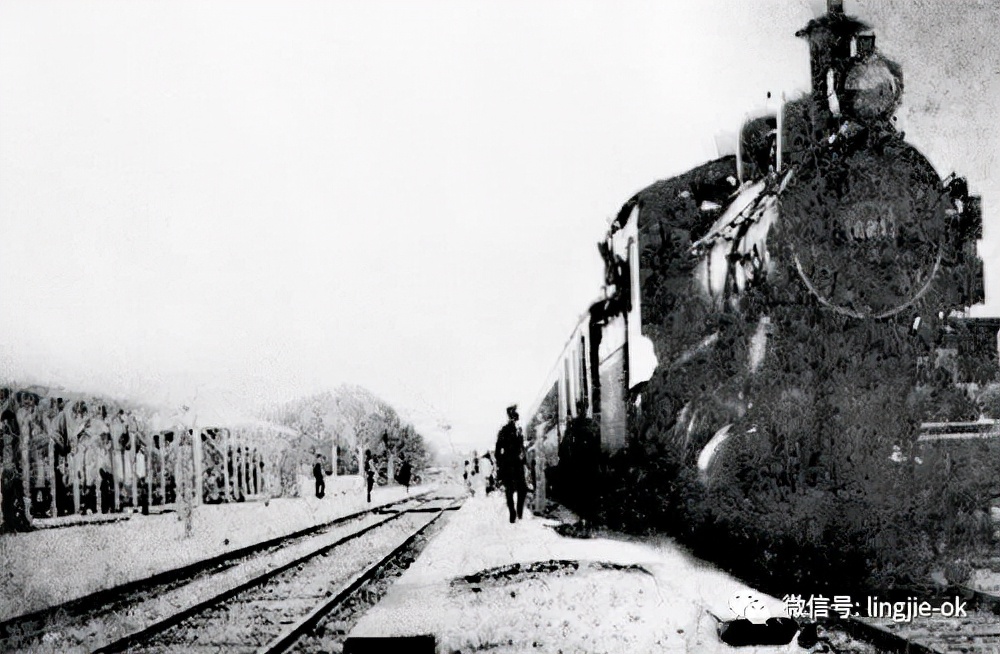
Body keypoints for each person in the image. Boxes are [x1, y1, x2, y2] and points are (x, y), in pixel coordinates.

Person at [495, 404, 528, 523]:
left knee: (516, 490)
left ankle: (516, 513)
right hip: (512, 465)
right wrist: (502, 462)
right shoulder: (508, 430)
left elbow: (520, 449)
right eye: (514, 417)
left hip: (513, 464)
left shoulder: (513, 431)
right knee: (515, 490)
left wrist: (501, 462)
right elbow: (498, 450)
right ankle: (515, 512)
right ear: (511, 417)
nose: (515, 420)